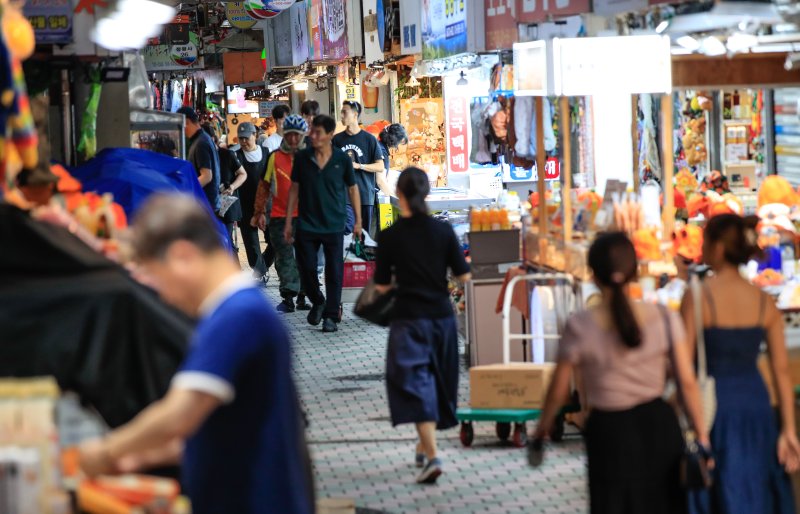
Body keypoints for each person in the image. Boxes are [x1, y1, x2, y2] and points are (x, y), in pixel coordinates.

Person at [77, 195, 314, 514]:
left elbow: (180, 412)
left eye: (158, 278)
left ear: (182, 256)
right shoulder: (234, 310)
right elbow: (222, 433)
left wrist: (105, 452)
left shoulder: (239, 315)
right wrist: (139, 457)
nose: (163, 297)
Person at [534, 232, 709, 514]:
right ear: (635, 272)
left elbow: (558, 389)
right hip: (659, 426)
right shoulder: (664, 317)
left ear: (593, 275)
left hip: (609, 431)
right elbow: (686, 382)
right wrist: (702, 436)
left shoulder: (580, 325)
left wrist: (541, 429)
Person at [682, 214, 800, 514]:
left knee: (721, 493)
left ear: (718, 247)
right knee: (756, 491)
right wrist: (788, 430)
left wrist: (697, 429)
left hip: (714, 410)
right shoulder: (763, 300)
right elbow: (781, 372)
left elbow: (684, 369)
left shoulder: (697, 296)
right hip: (757, 407)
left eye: (705, 240)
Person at [373, 167, 470, 484]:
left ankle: (433, 456)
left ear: (399, 194)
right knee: (438, 383)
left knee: (415, 385)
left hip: (408, 319)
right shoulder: (443, 231)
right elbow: (464, 275)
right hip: (442, 319)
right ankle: (425, 446)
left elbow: (382, 286)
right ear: (427, 193)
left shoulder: (390, 236)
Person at [284, 114, 362, 333]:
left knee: (334, 271)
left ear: (329, 135)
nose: (313, 136)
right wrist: (288, 222)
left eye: (318, 132)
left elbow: (353, 189)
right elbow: (294, 189)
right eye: (312, 132)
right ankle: (318, 300)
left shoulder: (342, 159)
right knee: (306, 268)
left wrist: (358, 221)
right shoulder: (302, 158)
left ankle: (331, 316)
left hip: (334, 223)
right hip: (307, 224)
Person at [253, 115, 310, 313]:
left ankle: (303, 295)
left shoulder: (311, 157)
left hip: (306, 216)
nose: (293, 139)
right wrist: (259, 212)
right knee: (284, 257)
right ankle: (288, 297)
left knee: (305, 257)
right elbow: (264, 186)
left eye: (297, 134)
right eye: (289, 134)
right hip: (279, 216)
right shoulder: (274, 157)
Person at [333, 101, 388, 236]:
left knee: (363, 237)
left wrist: (359, 166)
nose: (341, 116)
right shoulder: (336, 140)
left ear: (355, 114)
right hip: (343, 196)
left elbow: (380, 166)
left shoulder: (369, 139)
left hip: (364, 195)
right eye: (341, 112)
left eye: (345, 112)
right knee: (347, 233)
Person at [234, 122, 275, 286]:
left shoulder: (267, 153)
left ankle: (262, 266)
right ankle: (260, 273)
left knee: (275, 241)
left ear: (255, 135)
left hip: (268, 205)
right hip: (245, 206)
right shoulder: (236, 156)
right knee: (251, 244)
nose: (243, 141)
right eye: (241, 138)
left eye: (246, 138)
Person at [177, 107, 220, 214]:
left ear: (186, 121)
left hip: (204, 206)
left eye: (179, 125)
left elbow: (206, 176)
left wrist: (185, 189)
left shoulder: (201, 143)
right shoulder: (203, 138)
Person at [217, 135, 247, 251]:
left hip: (227, 204)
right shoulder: (202, 155)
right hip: (210, 205)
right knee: (224, 243)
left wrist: (232, 187)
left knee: (226, 241)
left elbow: (243, 174)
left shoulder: (227, 154)